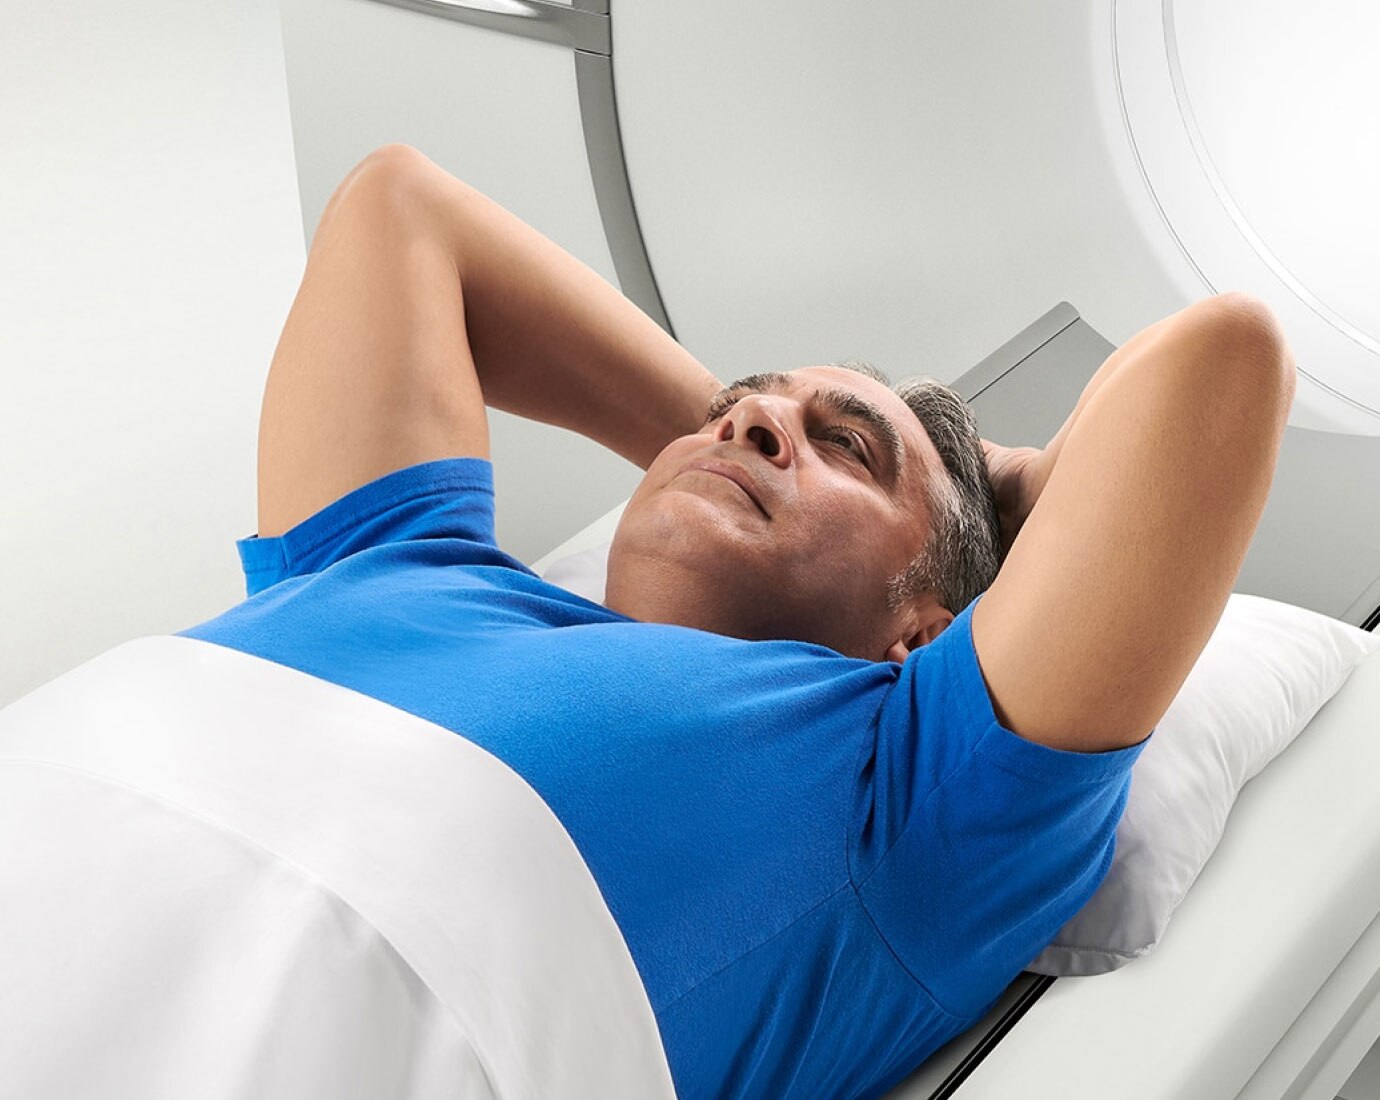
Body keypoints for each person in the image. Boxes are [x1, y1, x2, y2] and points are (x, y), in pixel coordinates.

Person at [178, 144, 1295, 1098]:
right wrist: (749, 438)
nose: (753, 414)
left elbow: (1223, 360)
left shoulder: (905, 798)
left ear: (925, 633)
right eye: (734, 406)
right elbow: (398, 205)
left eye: (851, 447)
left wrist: (995, 490)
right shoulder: (400, 565)